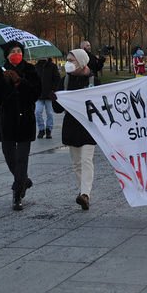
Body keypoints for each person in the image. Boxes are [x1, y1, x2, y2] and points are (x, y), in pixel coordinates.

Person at [0, 41, 41, 211]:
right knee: (9, 156)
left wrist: (20, 82)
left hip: (25, 121)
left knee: (22, 158)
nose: (17, 53)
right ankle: (23, 180)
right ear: (7, 55)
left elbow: (36, 93)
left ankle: (17, 194)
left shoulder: (31, 70)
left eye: (19, 51)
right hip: (7, 120)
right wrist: (3, 81)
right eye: (13, 51)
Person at [53, 49, 99, 211]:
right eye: (68, 60)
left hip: (88, 127)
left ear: (81, 62)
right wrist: (56, 97)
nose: (68, 63)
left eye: (72, 60)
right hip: (71, 126)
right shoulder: (65, 80)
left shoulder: (94, 80)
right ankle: (83, 192)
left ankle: (85, 193)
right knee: (76, 163)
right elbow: (57, 109)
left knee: (86, 160)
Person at [34, 57, 60, 139]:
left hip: (49, 94)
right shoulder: (36, 67)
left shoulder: (53, 66)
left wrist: (53, 90)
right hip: (38, 95)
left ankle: (49, 129)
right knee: (37, 112)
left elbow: (57, 79)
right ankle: (41, 129)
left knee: (50, 113)